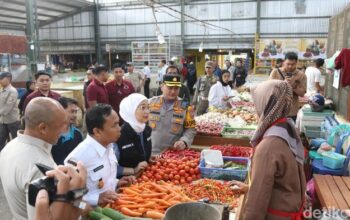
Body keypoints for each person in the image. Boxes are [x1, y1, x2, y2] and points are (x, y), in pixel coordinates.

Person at [242, 80, 306, 219]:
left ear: (267, 104)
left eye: (257, 103)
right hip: (290, 208)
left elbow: (256, 204)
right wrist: (249, 187)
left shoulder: (268, 147)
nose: (255, 108)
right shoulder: (287, 128)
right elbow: (282, 180)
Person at [0, 97, 68, 220]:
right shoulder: (41, 168)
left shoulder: (9, 147)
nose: (64, 130)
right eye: (61, 125)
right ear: (43, 128)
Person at [64, 104, 135, 206]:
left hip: (112, 206)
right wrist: (95, 198)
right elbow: (67, 196)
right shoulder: (78, 157)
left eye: (118, 124)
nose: (119, 129)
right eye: (114, 125)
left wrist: (117, 182)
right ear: (97, 131)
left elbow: (100, 181)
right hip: (91, 213)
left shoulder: (109, 146)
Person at [149, 74, 196, 154]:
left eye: (176, 88)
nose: (173, 91)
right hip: (150, 152)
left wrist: (184, 141)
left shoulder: (186, 106)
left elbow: (191, 129)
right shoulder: (149, 103)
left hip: (173, 155)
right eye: (170, 88)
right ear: (162, 87)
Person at [116, 93, 152, 178]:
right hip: (125, 182)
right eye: (143, 108)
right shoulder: (119, 134)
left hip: (145, 177)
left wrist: (147, 158)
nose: (147, 111)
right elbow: (110, 168)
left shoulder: (147, 130)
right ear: (131, 109)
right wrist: (133, 170)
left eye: (148, 107)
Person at [269, 52, 307, 121]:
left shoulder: (301, 75)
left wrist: (293, 86)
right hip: (276, 109)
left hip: (291, 111)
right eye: (288, 64)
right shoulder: (275, 72)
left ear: (296, 63)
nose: (290, 66)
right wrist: (283, 83)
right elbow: (269, 88)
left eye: (293, 64)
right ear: (284, 62)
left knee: (289, 130)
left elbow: (302, 94)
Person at [51, 97, 83, 165]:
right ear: (60, 111)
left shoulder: (77, 134)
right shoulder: (51, 133)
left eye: (75, 112)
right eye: (71, 111)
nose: (74, 115)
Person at [0, 71, 20, 151]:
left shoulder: (13, 91)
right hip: (3, 121)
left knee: (16, 140)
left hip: (12, 121)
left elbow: (8, 106)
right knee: (1, 140)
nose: (0, 80)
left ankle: (17, 155)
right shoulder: (2, 90)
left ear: (8, 79)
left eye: (1, 78)